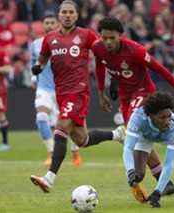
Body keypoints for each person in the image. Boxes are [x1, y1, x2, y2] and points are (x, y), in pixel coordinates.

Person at [92, 17, 174, 202]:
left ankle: (173, 125)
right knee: (138, 136)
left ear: (120, 35)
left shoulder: (136, 50)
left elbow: (160, 69)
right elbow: (99, 66)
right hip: (125, 96)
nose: (108, 42)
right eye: (105, 38)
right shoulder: (98, 47)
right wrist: (101, 92)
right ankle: (164, 181)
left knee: (132, 135)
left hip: (143, 92)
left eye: (112, 38)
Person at [30, 0, 125, 193]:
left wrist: (112, 79)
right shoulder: (50, 39)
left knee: (61, 127)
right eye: (63, 12)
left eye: (70, 12)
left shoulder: (86, 35)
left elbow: (105, 53)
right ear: (59, 15)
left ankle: (49, 178)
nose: (66, 15)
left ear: (76, 15)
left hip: (79, 91)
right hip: (61, 94)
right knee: (82, 140)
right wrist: (38, 67)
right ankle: (117, 134)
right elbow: (43, 58)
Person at [30, 12, 82, 167]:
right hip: (44, 88)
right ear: (43, 25)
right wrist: (33, 77)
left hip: (64, 88)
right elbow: (34, 62)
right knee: (41, 118)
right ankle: (51, 153)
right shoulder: (36, 44)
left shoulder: (66, 42)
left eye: (52, 22)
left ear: (58, 24)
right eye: (47, 22)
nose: (49, 25)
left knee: (70, 124)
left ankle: (75, 151)